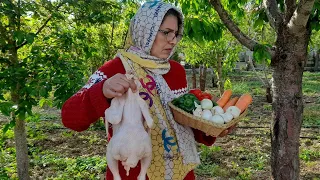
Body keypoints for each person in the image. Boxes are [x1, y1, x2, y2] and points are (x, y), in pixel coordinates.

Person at [61, 1, 234, 179]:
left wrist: (211, 128)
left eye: (176, 34)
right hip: (133, 172)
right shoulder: (115, 69)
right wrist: (102, 91)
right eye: (166, 32)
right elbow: (69, 117)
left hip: (180, 171)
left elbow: (182, 122)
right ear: (145, 30)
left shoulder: (176, 71)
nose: (173, 41)